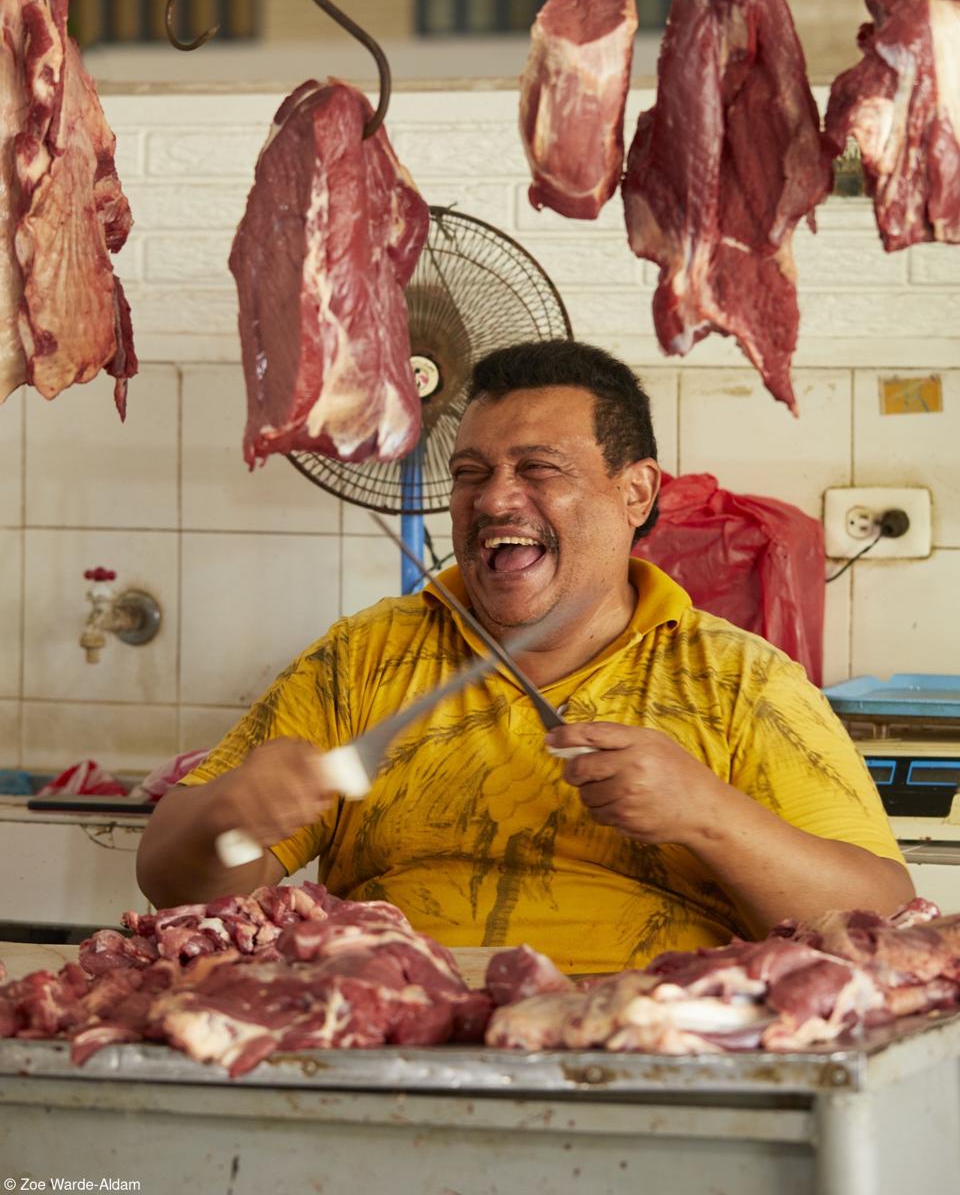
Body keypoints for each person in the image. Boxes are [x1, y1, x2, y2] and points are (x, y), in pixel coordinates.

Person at [137, 339, 913, 974]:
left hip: (651, 1061)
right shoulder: (361, 659)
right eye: (471, 475)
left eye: (538, 470)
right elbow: (169, 881)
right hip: (388, 1041)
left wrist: (710, 816)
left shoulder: (741, 682)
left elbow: (882, 915)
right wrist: (226, 817)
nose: (495, 499)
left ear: (637, 493)